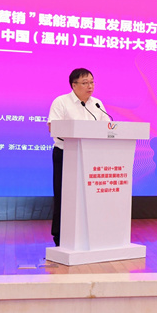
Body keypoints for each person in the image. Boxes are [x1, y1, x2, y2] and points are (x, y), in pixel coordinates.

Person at [47, 68, 111, 246]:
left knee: (89, 196)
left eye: (92, 82)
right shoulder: (61, 102)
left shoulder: (97, 104)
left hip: (92, 156)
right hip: (66, 154)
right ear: (73, 85)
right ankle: (60, 236)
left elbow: (108, 128)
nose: (90, 86)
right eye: (85, 83)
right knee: (64, 196)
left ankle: (90, 234)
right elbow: (53, 127)